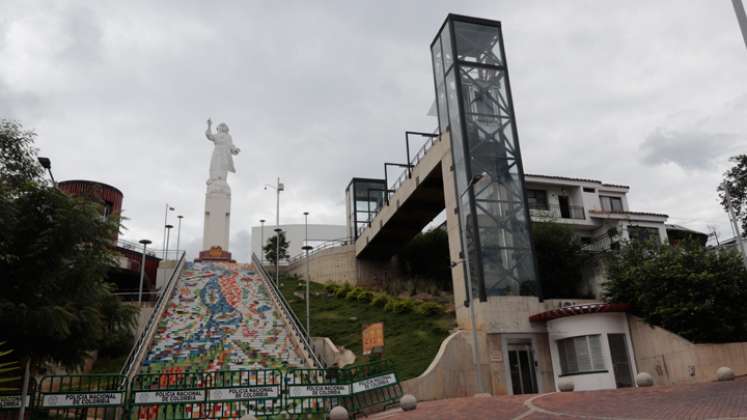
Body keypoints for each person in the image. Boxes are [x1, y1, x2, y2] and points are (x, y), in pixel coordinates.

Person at [205, 118, 240, 186]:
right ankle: (213, 178)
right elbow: (209, 135)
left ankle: (221, 179)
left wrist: (235, 150)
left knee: (223, 166)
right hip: (217, 151)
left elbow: (231, 145)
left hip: (225, 153)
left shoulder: (228, 136)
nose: (222, 128)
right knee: (215, 165)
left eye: (223, 127)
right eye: (221, 127)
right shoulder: (217, 135)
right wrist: (209, 125)